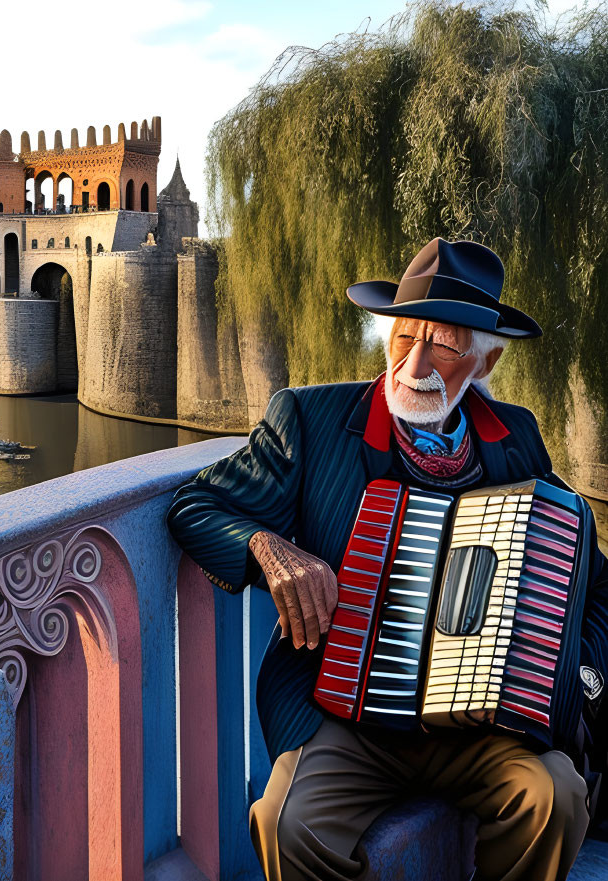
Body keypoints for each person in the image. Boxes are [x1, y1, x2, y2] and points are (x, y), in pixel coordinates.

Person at [166, 238, 608, 881]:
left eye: (445, 344)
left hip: (481, 728)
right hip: (343, 716)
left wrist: (583, 676)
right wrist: (269, 548)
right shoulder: (310, 419)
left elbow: (592, 579)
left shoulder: (517, 437)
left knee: (554, 797)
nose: (415, 362)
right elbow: (195, 507)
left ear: (486, 361)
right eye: (404, 336)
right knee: (287, 823)